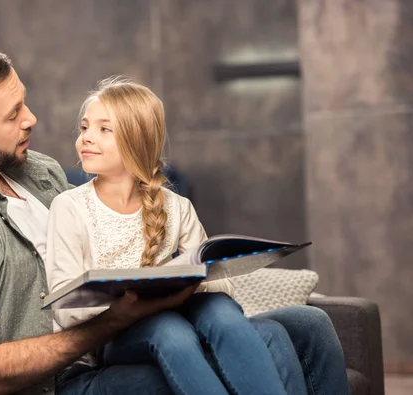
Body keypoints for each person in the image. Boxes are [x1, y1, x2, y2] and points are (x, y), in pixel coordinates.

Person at [0, 43, 350, 395]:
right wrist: (117, 319)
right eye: (14, 113)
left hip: (132, 327)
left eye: (25, 103)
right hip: (69, 375)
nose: (32, 119)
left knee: (308, 326)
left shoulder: (37, 171)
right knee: (216, 345)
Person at [46, 77, 308, 395]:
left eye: (104, 129)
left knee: (221, 310)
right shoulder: (70, 206)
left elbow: (223, 285)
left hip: (171, 312)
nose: (86, 138)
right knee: (170, 331)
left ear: (137, 139)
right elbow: (65, 306)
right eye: (85, 127)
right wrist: (129, 299)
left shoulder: (176, 206)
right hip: (109, 338)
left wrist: (182, 282)